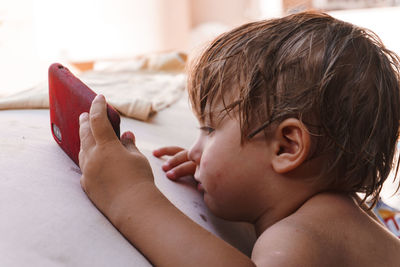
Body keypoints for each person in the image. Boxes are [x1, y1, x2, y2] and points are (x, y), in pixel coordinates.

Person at [78, 11, 400, 266]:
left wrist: (130, 196)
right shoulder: (335, 217)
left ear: (286, 147)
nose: (194, 149)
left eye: (210, 129)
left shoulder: (298, 238)